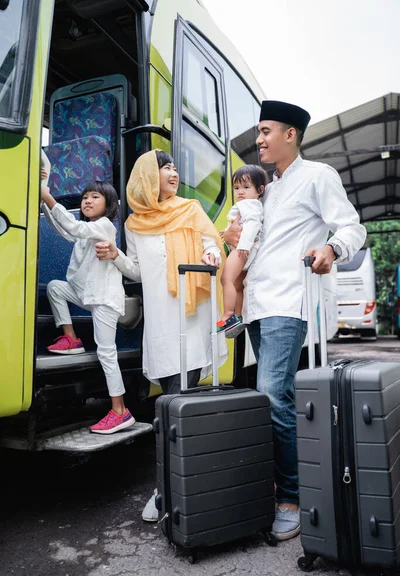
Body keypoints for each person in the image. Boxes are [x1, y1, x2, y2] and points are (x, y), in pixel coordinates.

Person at [223, 101, 366, 541]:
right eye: (258, 132)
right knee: (268, 396)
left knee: (272, 393)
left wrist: (331, 250)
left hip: (288, 303)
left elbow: (351, 227)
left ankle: (291, 497)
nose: (259, 140)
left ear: (291, 134)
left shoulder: (317, 175)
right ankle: (277, 483)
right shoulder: (270, 189)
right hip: (258, 306)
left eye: (266, 132)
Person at [95, 149, 228, 520]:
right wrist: (115, 257)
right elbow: (136, 271)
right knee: (170, 399)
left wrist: (212, 255)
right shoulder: (135, 224)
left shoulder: (190, 209)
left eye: (173, 167)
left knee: (176, 398)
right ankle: (177, 484)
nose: (173, 172)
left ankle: (167, 488)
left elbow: (210, 244)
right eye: (165, 167)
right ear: (147, 177)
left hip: (191, 316)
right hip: (161, 323)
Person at [40, 173, 135, 435]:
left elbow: (73, 227)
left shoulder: (104, 226)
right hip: (85, 294)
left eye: (95, 197)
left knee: (107, 353)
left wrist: (48, 196)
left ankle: (120, 411)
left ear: (109, 205)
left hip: (103, 298)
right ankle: (71, 339)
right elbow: (65, 229)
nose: (88, 201)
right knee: (56, 288)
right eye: (84, 197)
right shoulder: (87, 231)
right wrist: (44, 203)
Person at [216, 165, 266, 337]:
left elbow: (253, 223)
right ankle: (237, 315)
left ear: (260, 189)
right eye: (236, 188)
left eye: (246, 187)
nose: (240, 192)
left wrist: (243, 245)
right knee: (237, 285)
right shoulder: (252, 204)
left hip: (241, 250)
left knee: (226, 278)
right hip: (244, 249)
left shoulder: (249, 204)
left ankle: (228, 315)